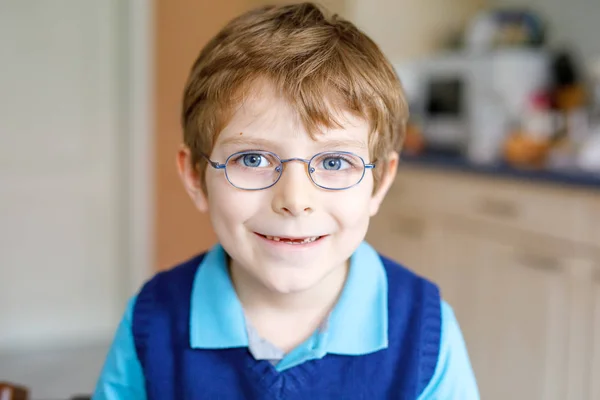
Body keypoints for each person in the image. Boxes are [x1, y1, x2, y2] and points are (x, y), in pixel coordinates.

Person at [93, 3, 479, 399]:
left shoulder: (424, 330)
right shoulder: (152, 319)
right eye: (253, 159)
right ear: (195, 176)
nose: (295, 200)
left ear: (379, 183)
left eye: (333, 161)